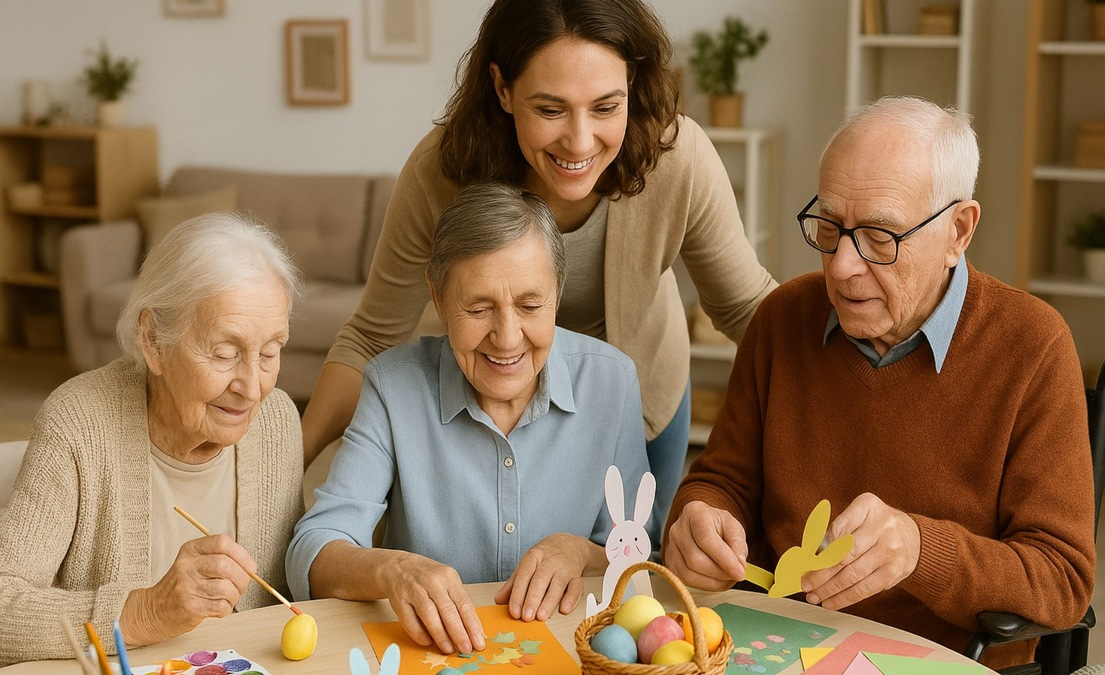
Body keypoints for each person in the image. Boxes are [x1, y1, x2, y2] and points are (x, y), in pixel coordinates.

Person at [299, 0, 778, 548]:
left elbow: (749, 310)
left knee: (620, 582)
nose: (579, 142)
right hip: (490, 401)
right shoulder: (443, 170)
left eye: (605, 107)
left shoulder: (678, 157)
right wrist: (290, 468)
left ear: (634, 81)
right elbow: (371, 336)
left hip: (640, 403)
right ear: (502, 88)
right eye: (550, 110)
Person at [661, 97, 1096, 670]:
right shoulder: (781, 319)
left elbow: (1062, 581)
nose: (841, 266)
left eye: (879, 236)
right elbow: (724, 482)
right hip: (775, 648)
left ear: (958, 231)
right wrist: (698, 516)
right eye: (830, 227)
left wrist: (922, 551)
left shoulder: (1034, 346)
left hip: (948, 660)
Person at [286, 183, 651, 656]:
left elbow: (644, 557)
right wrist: (392, 569)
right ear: (437, 299)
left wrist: (580, 551)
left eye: (530, 306)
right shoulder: (391, 385)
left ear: (558, 294)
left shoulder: (613, 381)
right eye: (478, 309)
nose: (506, 337)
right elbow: (312, 549)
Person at [0, 213, 305, 665]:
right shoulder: (78, 424)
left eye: (269, 353)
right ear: (153, 341)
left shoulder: (277, 421)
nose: (253, 387)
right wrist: (143, 612)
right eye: (225, 353)